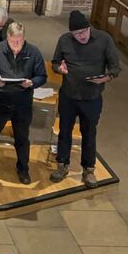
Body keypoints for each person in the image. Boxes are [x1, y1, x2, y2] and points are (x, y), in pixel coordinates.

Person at [50, 10, 121, 189]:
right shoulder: (64, 40)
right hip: (68, 95)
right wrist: (59, 69)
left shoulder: (104, 39)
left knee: (89, 133)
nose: (81, 36)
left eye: (83, 32)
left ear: (89, 28)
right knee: (64, 131)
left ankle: (89, 170)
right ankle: (62, 165)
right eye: (76, 34)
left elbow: (115, 67)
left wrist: (105, 78)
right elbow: (55, 62)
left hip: (91, 97)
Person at [0, 22, 47, 184]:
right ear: (7, 37)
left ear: (24, 38)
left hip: (22, 103)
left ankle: (23, 169)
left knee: (22, 138)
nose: (17, 45)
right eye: (13, 41)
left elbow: (42, 76)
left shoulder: (33, 52)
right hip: (0, 101)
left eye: (20, 41)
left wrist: (32, 83)